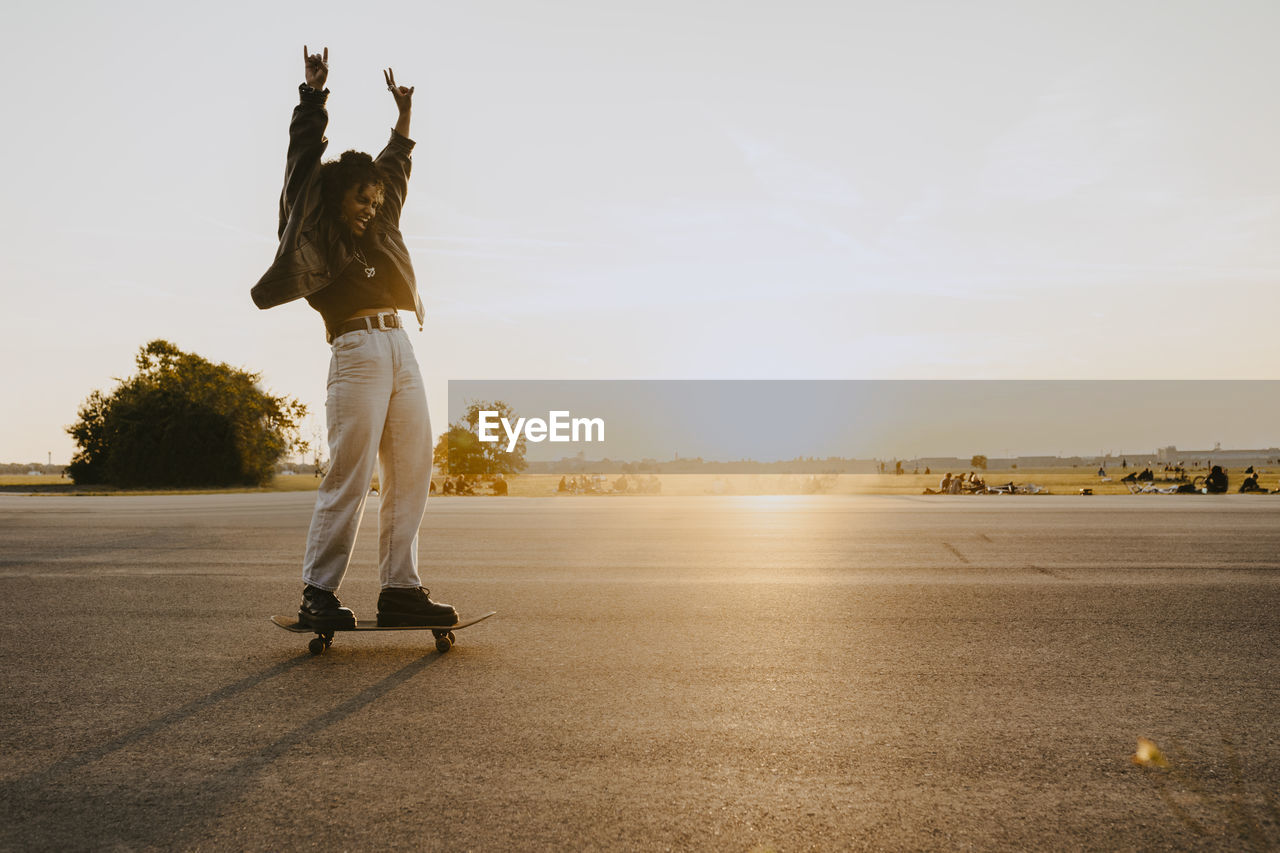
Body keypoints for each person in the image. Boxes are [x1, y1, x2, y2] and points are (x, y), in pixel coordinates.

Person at [252, 47, 456, 631]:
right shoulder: (315, 228)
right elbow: (301, 163)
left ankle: (400, 589)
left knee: (414, 465)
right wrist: (313, 94)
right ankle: (318, 591)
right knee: (351, 470)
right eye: (360, 198)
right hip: (356, 350)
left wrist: (404, 119)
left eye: (375, 199)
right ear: (336, 196)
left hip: (400, 346)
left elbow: (395, 169)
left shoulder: (382, 226)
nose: (370, 207)